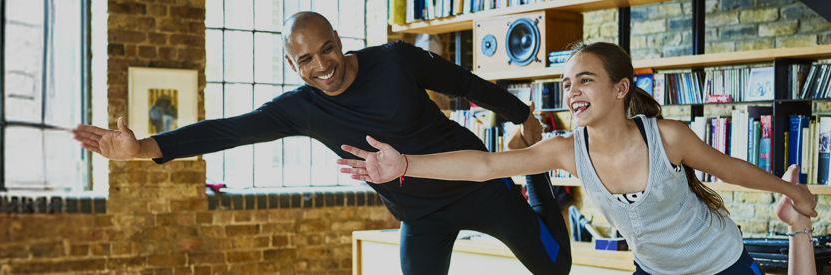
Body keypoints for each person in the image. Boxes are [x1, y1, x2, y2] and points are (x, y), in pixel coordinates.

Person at [73, 11, 571, 274]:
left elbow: (467, 84)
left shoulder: (395, 60)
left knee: (556, 272)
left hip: (475, 182)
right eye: (306, 60)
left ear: (340, 38)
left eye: (326, 48)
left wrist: (524, 118)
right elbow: (227, 131)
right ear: (293, 66)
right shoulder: (302, 108)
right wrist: (142, 150)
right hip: (421, 215)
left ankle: (537, 179)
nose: (322, 65)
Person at [337, 41, 819, 274]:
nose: (571, 91)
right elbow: (484, 167)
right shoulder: (568, 152)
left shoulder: (667, 138)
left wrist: (790, 190)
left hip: (720, 261)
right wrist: (406, 165)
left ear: (620, 88)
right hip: (655, 271)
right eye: (567, 83)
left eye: (584, 79)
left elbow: (727, 167)